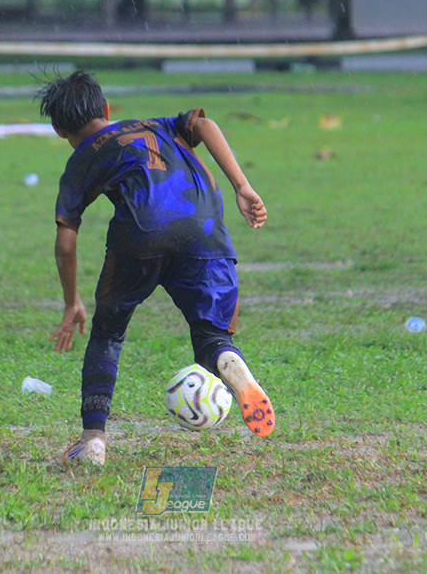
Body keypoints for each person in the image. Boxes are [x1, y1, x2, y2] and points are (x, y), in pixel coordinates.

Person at [37, 70, 275, 465]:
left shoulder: (82, 159)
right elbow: (204, 123)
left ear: (61, 131)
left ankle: (93, 441)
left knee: (108, 333)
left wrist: (70, 301)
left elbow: (66, 240)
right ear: (108, 109)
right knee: (210, 336)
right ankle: (229, 362)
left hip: (142, 233)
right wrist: (242, 186)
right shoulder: (158, 125)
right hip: (205, 227)